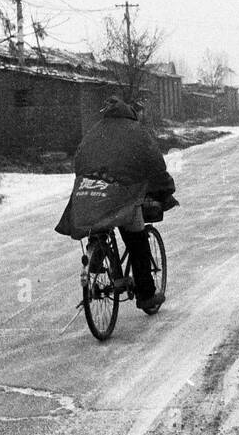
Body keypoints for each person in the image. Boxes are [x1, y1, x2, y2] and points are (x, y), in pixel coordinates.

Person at [55, 96, 177, 311]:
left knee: (100, 219)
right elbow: (155, 164)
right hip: (121, 192)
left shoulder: (95, 130)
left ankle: (98, 249)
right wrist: (165, 189)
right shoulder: (137, 131)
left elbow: (80, 159)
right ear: (131, 113)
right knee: (137, 239)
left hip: (89, 190)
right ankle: (146, 295)